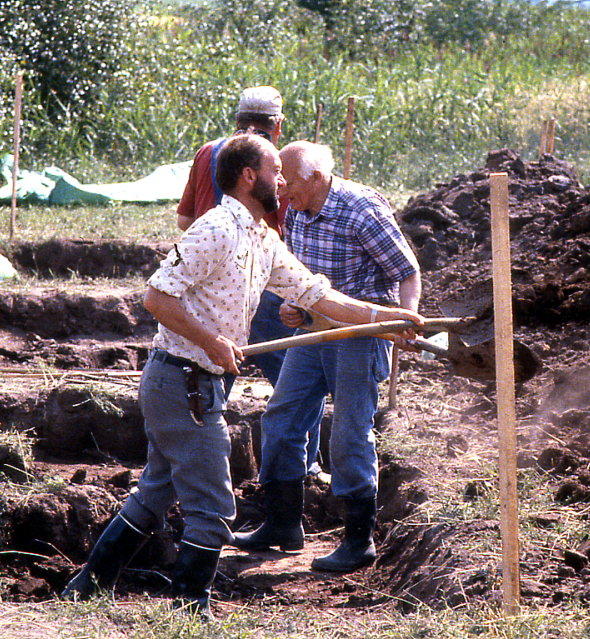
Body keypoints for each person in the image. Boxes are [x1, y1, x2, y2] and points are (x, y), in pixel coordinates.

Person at [60, 134, 421, 617]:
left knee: (156, 490)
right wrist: (211, 341)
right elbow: (156, 298)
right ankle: (190, 608)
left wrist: (386, 319)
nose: (284, 183)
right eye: (277, 171)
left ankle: (88, 585)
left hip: (196, 384)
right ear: (250, 177)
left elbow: (320, 297)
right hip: (180, 381)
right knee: (213, 505)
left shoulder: (261, 236)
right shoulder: (215, 230)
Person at [231, 141, 422, 574]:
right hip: (313, 329)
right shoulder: (295, 208)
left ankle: (359, 541)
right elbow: (301, 275)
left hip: (361, 333)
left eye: (289, 182)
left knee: (349, 433)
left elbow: (406, 271)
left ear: (316, 177)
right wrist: (293, 309)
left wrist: (408, 319)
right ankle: (282, 524)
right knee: (281, 415)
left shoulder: (361, 210)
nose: (281, 191)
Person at [177, 85, 325, 477]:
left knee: (214, 375)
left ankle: (199, 458)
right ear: (277, 125)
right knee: (296, 385)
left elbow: (185, 221)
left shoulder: (208, 153)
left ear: (238, 119)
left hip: (211, 292)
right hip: (266, 287)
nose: (279, 181)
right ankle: (300, 469)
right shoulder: (276, 163)